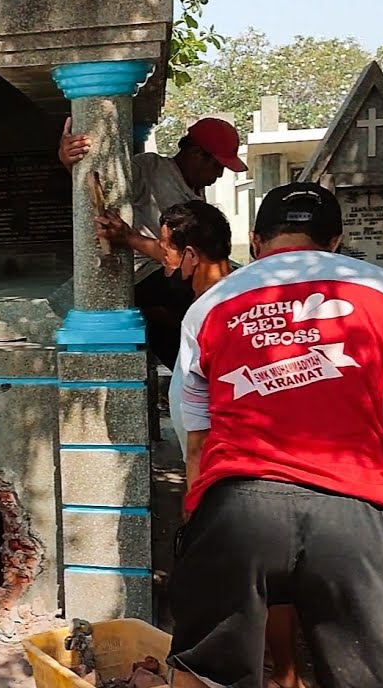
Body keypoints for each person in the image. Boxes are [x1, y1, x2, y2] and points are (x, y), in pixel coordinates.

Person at [168, 183, 383, 688]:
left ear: (255, 240)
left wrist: (199, 514)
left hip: (236, 511)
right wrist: (371, 489)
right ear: (335, 240)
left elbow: (197, 442)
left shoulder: (212, 305)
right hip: (354, 511)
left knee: (204, 675)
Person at [146, 201, 304, 688]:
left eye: (166, 250)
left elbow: (200, 431)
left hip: (231, 475)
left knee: (216, 604)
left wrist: (195, 502)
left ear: (190, 256)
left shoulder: (211, 310)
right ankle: (287, 674)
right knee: (275, 587)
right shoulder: (253, 297)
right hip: (277, 467)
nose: (163, 261)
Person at [62, 117, 247, 367]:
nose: (219, 174)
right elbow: (103, 181)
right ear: (196, 154)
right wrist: (72, 161)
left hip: (173, 280)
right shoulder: (150, 169)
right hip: (145, 276)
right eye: (217, 165)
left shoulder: (197, 193)